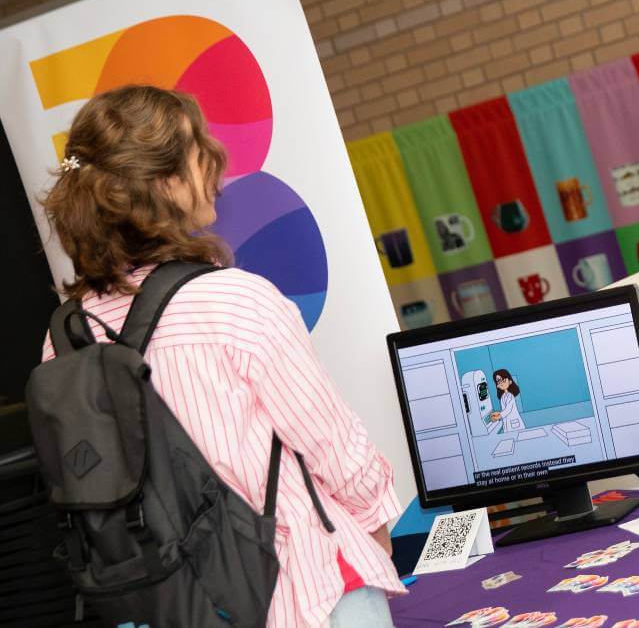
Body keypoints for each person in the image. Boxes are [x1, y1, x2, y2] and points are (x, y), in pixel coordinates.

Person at [39, 85, 403, 626]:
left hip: (172, 603)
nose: (217, 160)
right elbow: (332, 443)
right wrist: (376, 531)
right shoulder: (232, 300)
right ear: (165, 184)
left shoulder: (65, 337)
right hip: (302, 590)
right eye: (198, 148)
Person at [490, 368, 525, 433]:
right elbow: (504, 410)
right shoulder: (503, 396)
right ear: (497, 385)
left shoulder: (510, 396)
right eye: (499, 382)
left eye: (503, 381)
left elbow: (508, 410)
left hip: (515, 425)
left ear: (510, 381)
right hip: (508, 424)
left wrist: (499, 416)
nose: (501, 383)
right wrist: (498, 413)